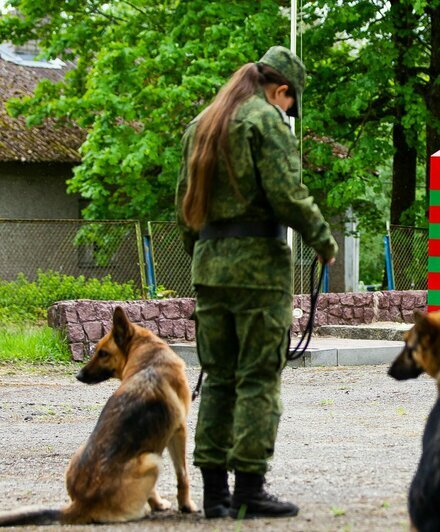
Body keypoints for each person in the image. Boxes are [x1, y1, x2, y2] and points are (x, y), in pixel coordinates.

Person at [176, 46, 338, 519]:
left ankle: (213, 495)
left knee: (218, 378)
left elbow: (184, 208)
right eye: (291, 102)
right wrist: (323, 241)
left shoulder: (201, 124)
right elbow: (288, 195)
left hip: (209, 266)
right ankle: (249, 487)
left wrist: (204, 255)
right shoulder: (265, 121)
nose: (288, 111)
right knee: (258, 379)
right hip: (259, 272)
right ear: (281, 90)